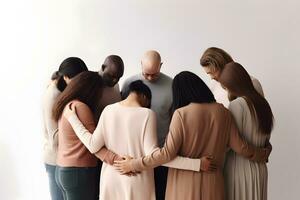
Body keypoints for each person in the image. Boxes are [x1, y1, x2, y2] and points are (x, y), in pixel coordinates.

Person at [114, 71, 271, 200]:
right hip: (214, 185)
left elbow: (166, 154)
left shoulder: (181, 114)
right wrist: (263, 152)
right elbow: (241, 147)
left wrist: (133, 164)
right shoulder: (223, 112)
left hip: (183, 186)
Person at [63, 80, 207, 200]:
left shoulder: (108, 110)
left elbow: (92, 145)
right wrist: (196, 164)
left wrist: (72, 118)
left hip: (111, 180)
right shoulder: (147, 114)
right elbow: (157, 156)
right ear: (145, 97)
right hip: (138, 180)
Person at [52, 71, 120, 200]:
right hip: (78, 172)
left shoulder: (67, 104)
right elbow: (93, 144)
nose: (100, 96)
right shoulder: (80, 108)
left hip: (63, 169)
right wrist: (117, 160)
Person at [218, 62, 274, 200]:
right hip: (260, 169)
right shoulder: (263, 104)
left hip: (239, 169)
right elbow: (266, 140)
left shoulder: (237, 105)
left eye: (226, 87)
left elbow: (231, 143)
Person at [121, 50, 172, 200]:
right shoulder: (128, 84)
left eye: (154, 74)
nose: (150, 78)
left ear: (161, 66)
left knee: (161, 194)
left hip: (160, 153)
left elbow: (175, 117)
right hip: (133, 153)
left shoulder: (171, 84)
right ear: (140, 65)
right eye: (146, 74)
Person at [42, 57, 88, 200]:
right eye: (77, 80)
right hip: (55, 160)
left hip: (63, 159)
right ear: (66, 77)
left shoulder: (62, 90)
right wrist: (79, 127)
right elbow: (54, 137)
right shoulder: (53, 95)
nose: (80, 84)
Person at [200, 47, 264, 107]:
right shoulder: (213, 85)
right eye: (209, 74)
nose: (212, 77)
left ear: (222, 66)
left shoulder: (252, 83)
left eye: (213, 72)